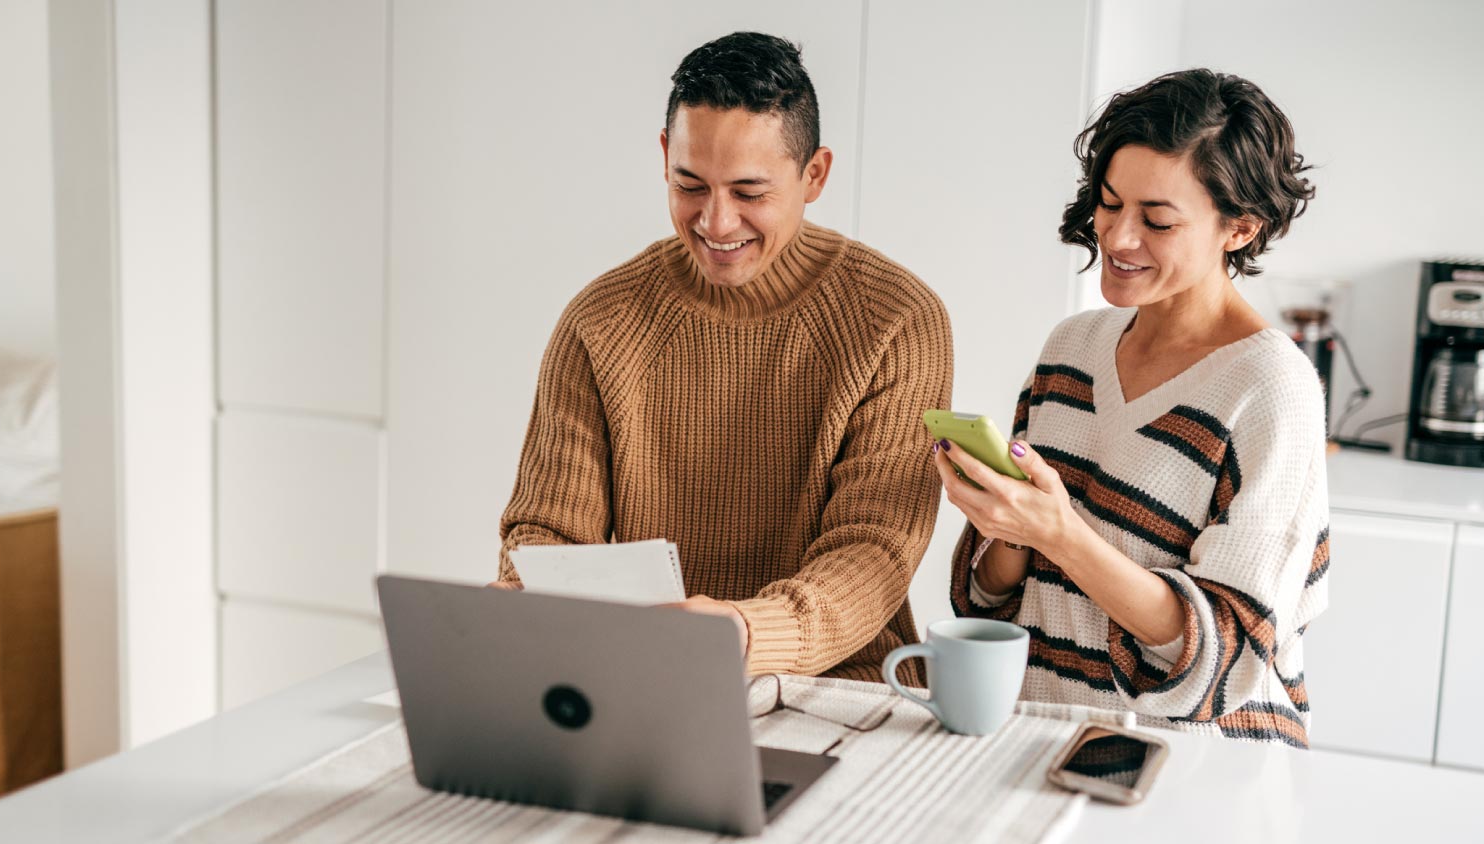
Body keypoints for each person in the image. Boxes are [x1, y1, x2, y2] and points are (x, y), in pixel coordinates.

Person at [495, 32, 952, 685]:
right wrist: (523, 603)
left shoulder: (898, 320)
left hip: (834, 684)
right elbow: (546, 531)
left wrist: (741, 635)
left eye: (748, 192)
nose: (715, 221)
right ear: (663, 157)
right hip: (642, 677)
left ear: (814, 174)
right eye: (690, 184)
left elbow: (873, 553)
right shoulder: (599, 321)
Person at [938, 69, 1326, 746]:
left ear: (1240, 228)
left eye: (1157, 220)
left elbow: (1224, 656)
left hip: (1193, 773)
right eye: (1110, 203)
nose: (1116, 238)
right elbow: (994, 596)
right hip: (1044, 736)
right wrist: (1007, 523)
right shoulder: (1073, 348)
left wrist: (1061, 533)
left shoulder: (1271, 389)